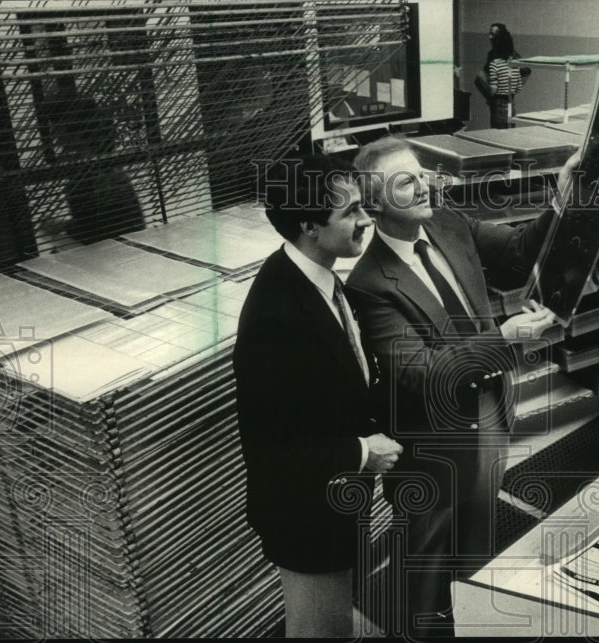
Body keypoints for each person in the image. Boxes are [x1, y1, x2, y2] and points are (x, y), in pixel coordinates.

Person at [347, 136, 569, 637]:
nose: (424, 185)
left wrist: (562, 197)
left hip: (489, 408)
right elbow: (422, 372)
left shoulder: (449, 223)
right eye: (406, 182)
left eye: (422, 174)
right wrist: (503, 337)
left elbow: (518, 250)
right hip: (434, 444)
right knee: (427, 561)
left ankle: (470, 620)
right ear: (375, 206)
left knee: (477, 541)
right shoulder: (370, 283)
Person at [233, 154, 403, 637]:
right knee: (319, 631)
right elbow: (272, 452)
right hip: (305, 515)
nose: (367, 219)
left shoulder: (318, 278)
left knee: (334, 621)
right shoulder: (275, 317)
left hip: (335, 501)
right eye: (351, 211)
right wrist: (362, 452)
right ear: (309, 226)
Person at [477, 23, 528, 128]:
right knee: (508, 129)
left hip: (499, 99)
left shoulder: (504, 55)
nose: (489, 37)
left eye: (492, 34)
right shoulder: (495, 54)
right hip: (504, 99)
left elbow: (526, 71)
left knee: (499, 130)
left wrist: (502, 90)